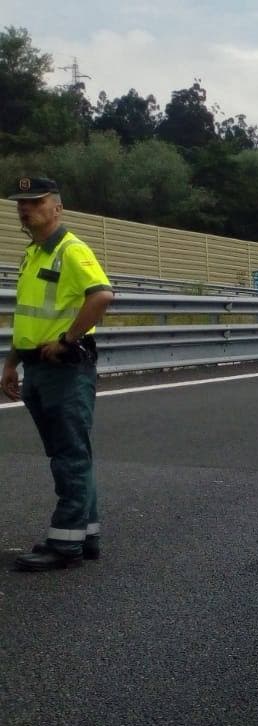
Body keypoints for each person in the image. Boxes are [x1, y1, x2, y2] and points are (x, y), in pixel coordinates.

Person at [3, 177, 114, 571]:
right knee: (70, 455)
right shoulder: (33, 254)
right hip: (35, 366)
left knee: (69, 455)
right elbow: (30, 315)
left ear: (57, 208)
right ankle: (86, 535)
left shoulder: (71, 249)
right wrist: (12, 363)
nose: (25, 208)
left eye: (35, 201)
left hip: (63, 368)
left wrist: (68, 340)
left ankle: (64, 542)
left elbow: (102, 294)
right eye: (21, 203)